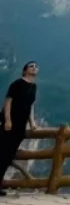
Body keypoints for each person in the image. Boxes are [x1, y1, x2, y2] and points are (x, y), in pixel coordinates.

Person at [0, 61, 39, 194]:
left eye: (36, 66)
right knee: (3, 153)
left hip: (21, 124)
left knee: (9, 155)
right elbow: (8, 101)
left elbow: (30, 106)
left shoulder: (33, 87)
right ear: (24, 70)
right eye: (31, 66)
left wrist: (32, 123)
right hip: (10, 123)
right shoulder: (17, 84)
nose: (34, 68)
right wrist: (7, 120)